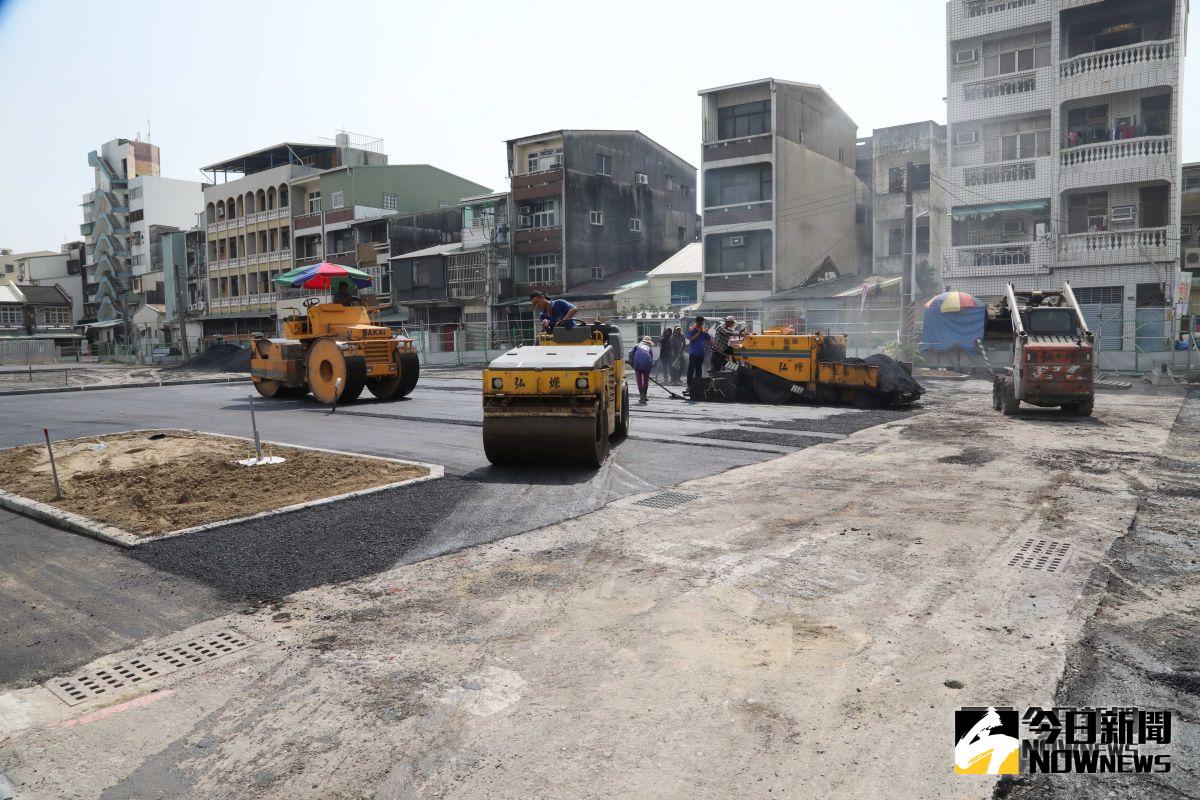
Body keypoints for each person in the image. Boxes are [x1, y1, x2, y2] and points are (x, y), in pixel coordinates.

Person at [685, 316, 711, 387]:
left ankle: (697, 385)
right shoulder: (692, 329)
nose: (701, 323)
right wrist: (699, 332)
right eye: (700, 322)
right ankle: (689, 385)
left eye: (702, 322)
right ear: (696, 322)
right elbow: (691, 339)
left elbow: (709, 339)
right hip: (694, 353)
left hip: (701, 354)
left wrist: (716, 347)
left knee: (699, 370)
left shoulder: (704, 330)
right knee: (691, 369)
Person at [629, 335, 655, 404]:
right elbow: (651, 360)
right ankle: (645, 396)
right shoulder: (649, 348)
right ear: (649, 343)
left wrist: (632, 363)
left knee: (639, 380)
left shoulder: (637, 346)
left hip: (637, 364)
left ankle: (642, 397)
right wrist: (649, 369)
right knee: (646, 380)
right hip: (647, 365)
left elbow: (630, 353)